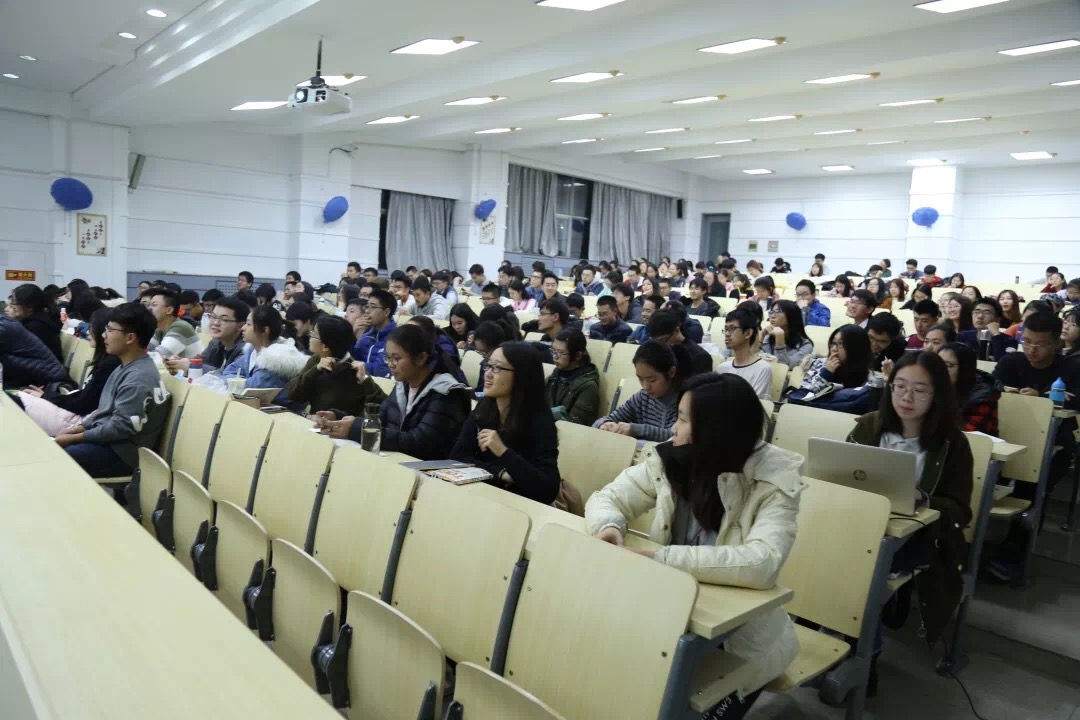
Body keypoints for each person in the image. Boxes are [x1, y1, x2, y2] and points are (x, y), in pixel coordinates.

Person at [587, 373, 803, 714]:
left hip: (739, 642)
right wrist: (609, 526)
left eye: (684, 419)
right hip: (669, 615)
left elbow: (763, 561)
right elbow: (607, 497)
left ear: (716, 431)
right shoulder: (673, 458)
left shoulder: (773, 479)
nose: (673, 428)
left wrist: (661, 558)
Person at [847, 351, 973, 650]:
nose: (906, 397)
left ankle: (863, 653)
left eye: (919, 390)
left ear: (937, 396)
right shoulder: (869, 425)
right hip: (860, 524)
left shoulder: (953, 444)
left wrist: (922, 498)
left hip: (916, 537)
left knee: (860, 570)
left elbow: (960, 511)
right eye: (900, 386)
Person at [318, 324, 472, 460]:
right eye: (388, 358)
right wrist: (339, 419)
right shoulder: (403, 386)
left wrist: (356, 429)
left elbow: (419, 442)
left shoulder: (445, 394)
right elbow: (379, 420)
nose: (390, 365)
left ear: (420, 358)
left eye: (396, 358)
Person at [54, 303, 171, 478]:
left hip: (122, 454)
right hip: (111, 443)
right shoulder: (126, 366)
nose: (103, 335)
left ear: (130, 338)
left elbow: (119, 428)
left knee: (59, 457)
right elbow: (104, 410)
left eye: (109, 330)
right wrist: (79, 428)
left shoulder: (138, 379)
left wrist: (75, 437)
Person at [449, 342, 560, 503]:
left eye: (497, 368)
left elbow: (547, 488)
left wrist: (503, 451)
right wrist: (500, 473)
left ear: (521, 375)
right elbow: (457, 457)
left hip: (521, 505)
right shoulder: (485, 407)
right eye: (488, 365)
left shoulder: (540, 420)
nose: (488, 374)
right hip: (486, 497)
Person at [17, 309, 120, 437]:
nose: (88, 331)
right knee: (21, 397)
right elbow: (85, 397)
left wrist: (47, 396)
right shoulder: (107, 361)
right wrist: (47, 396)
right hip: (78, 414)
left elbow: (83, 404)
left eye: (92, 327)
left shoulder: (110, 364)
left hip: (80, 421)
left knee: (17, 400)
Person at [286, 316, 386, 415]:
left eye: (314, 334)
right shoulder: (317, 359)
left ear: (325, 346)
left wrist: (365, 380)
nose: (310, 335)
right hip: (314, 421)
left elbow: (383, 406)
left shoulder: (354, 370)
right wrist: (315, 370)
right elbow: (292, 394)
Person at [593, 341, 688, 441]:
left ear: (671, 372)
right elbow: (603, 420)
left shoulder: (685, 401)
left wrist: (637, 430)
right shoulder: (642, 397)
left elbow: (676, 437)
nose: (645, 387)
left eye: (652, 380)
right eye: (641, 379)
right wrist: (606, 425)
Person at [222, 305, 309, 408]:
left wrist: (236, 382)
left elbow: (252, 390)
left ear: (265, 330)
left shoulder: (277, 359)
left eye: (248, 324)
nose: (243, 328)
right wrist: (239, 382)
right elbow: (228, 371)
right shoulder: (252, 350)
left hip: (284, 413)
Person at [792, 325, 872, 401]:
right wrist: (826, 374)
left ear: (856, 349)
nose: (834, 349)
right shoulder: (819, 364)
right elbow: (805, 396)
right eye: (833, 343)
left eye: (841, 344)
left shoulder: (870, 376)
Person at [940, 342, 1001, 435]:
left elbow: (969, 435)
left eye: (948, 365)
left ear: (964, 368)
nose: (940, 369)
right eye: (938, 363)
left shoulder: (982, 397)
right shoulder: (934, 388)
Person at [546, 328, 601, 426]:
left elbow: (577, 424)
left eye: (560, 352)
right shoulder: (555, 376)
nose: (555, 357)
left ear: (577, 355)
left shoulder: (588, 386)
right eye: (553, 351)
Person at [716, 310, 773, 400]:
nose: (727, 334)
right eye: (726, 329)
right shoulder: (722, 368)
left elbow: (755, 404)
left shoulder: (762, 369)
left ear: (748, 333)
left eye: (732, 329)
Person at [8, 284, 63, 363]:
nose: (13, 306)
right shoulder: (37, 320)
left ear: (29, 306)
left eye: (15, 302)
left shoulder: (36, 327)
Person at [648, 309, 713, 377]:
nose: (659, 345)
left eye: (663, 340)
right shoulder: (657, 350)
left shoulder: (700, 357)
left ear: (676, 330)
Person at [350, 289, 398, 378]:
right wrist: (352, 334)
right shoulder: (367, 335)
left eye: (372, 307)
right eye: (367, 307)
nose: (367, 311)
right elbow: (352, 358)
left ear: (386, 312)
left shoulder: (396, 338)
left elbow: (379, 370)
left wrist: (353, 365)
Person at [146, 288, 204, 359]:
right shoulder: (160, 329)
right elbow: (145, 350)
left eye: (154, 305)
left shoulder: (181, 327)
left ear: (169, 310)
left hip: (195, 366)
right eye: (149, 305)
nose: (149, 308)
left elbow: (158, 357)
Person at [762, 300, 814, 369]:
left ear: (791, 315)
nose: (772, 316)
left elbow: (783, 367)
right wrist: (761, 336)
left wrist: (780, 340)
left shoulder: (806, 345)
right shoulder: (768, 337)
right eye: (771, 312)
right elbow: (756, 360)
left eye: (778, 312)